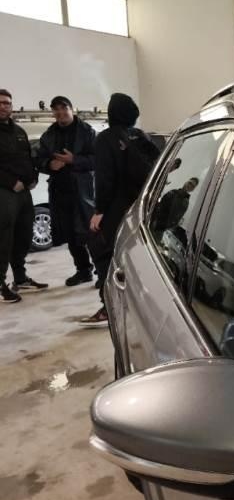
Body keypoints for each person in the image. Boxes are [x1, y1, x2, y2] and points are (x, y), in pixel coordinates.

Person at [80, 93, 158, 327]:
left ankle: (110, 306)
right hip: (142, 206)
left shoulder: (105, 139)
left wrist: (99, 211)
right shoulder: (140, 136)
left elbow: (104, 178)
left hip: (117, 207)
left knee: (103, 252)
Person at [37, 96, 97, 286]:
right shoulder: (48, 136)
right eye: (56, 109)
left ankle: (104, 272)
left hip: (84, 192)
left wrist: (74, 160)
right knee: (71, 235)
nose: (60, 112)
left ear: (72, 109)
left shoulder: (87, 132)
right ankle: (83, 270)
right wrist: (49, 165)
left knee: (93, 233)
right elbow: (38, 159)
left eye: (64, 108)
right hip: (60, 192)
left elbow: (97, 160)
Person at [0, 88, 48, 303]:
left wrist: (33, 178)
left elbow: (28, 158)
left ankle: (20, 278)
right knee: (3, 238)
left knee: (23, 235)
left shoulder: (19, 131)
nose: (3, 106)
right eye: (0, 103)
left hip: (23, 192)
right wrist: (11, 183)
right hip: (4, 191)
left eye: (7, 103)